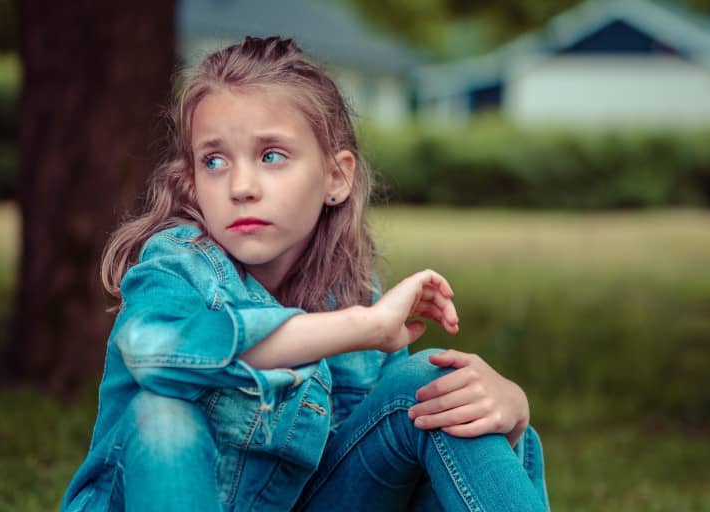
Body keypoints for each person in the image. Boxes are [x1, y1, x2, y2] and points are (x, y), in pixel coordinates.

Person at [61, 36, 549, 512]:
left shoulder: (349, 293)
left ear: (336, 177)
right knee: (161, 416)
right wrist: (365, 328)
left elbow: (397, 468)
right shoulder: (174, 265)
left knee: (442, 390)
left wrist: (512, 414)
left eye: (272, 155)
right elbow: (152, 351)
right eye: (214, 161)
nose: (241, 186)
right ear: (191, 185)